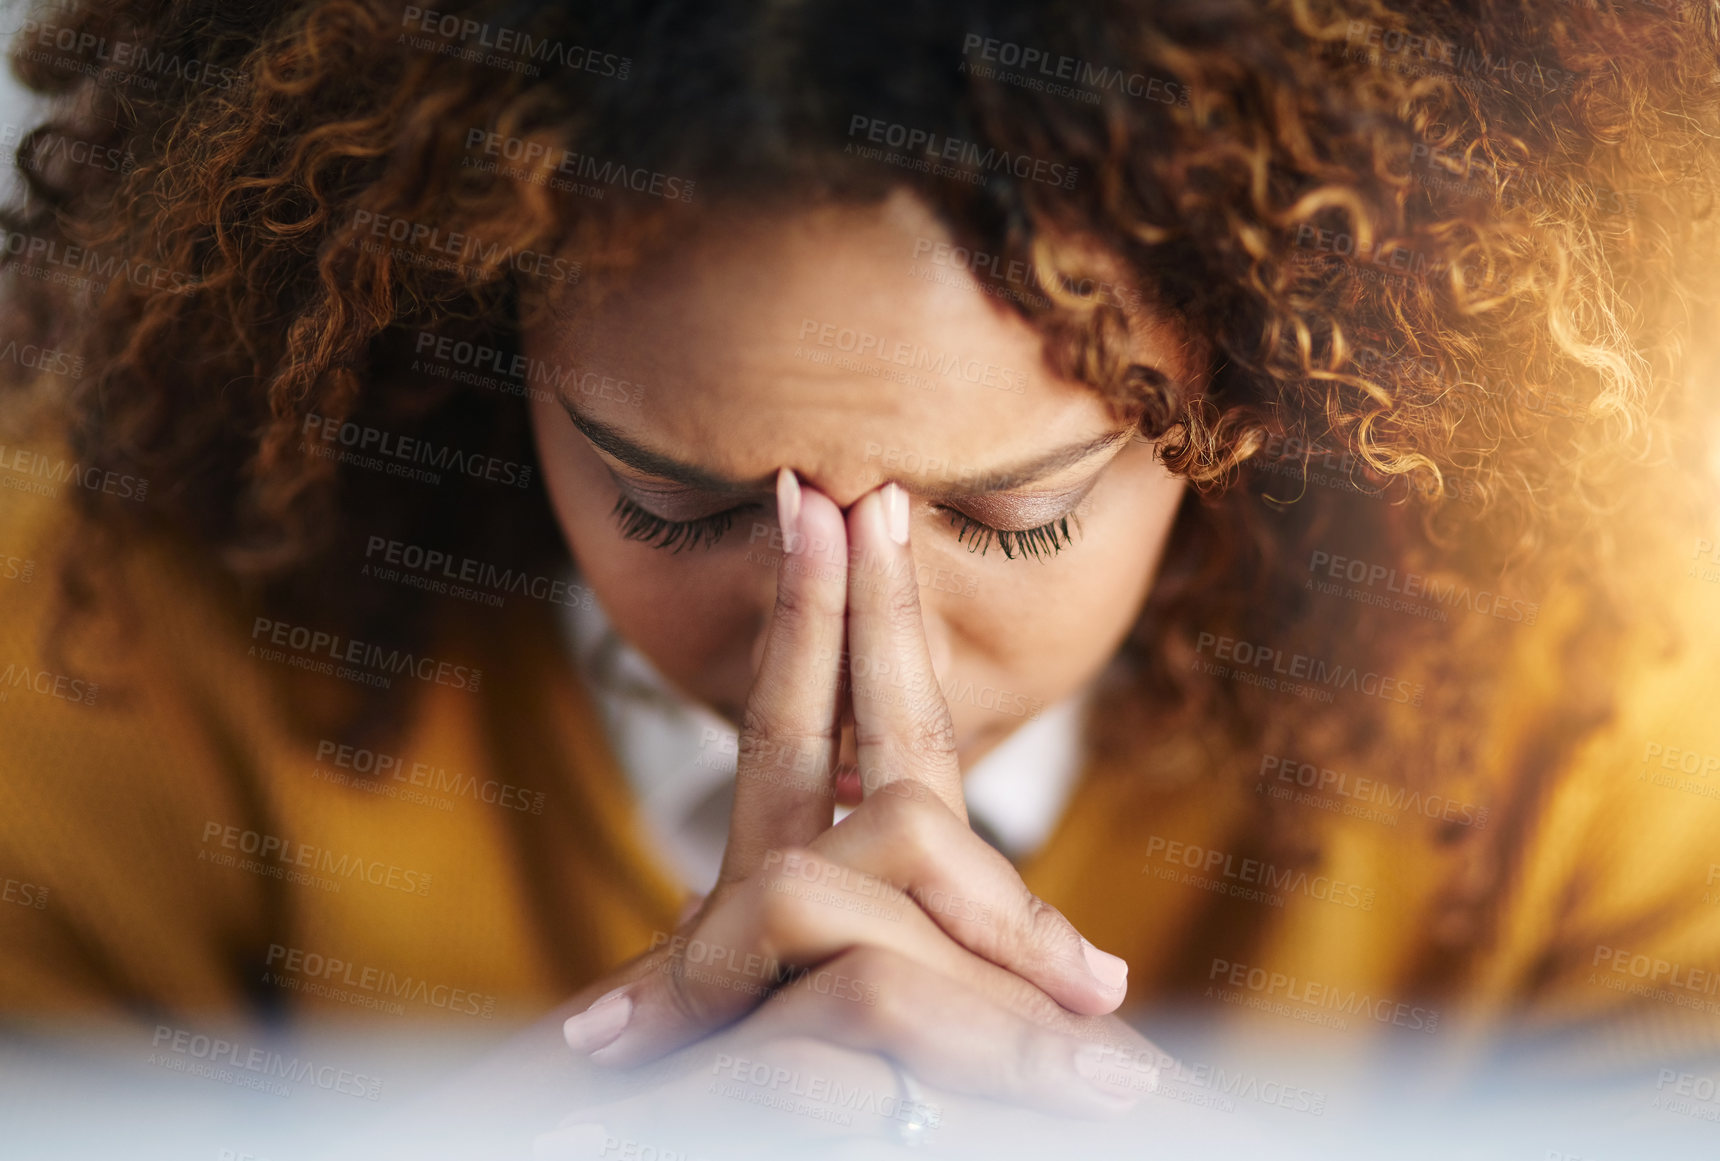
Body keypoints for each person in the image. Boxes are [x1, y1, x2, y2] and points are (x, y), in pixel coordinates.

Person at [3, 0, 1719, 1151]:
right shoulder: (91, 650)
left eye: (1013, 514)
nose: (832, 652)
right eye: (675, 503)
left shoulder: (1608, 706)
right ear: (462, 342)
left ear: (1256, 388)